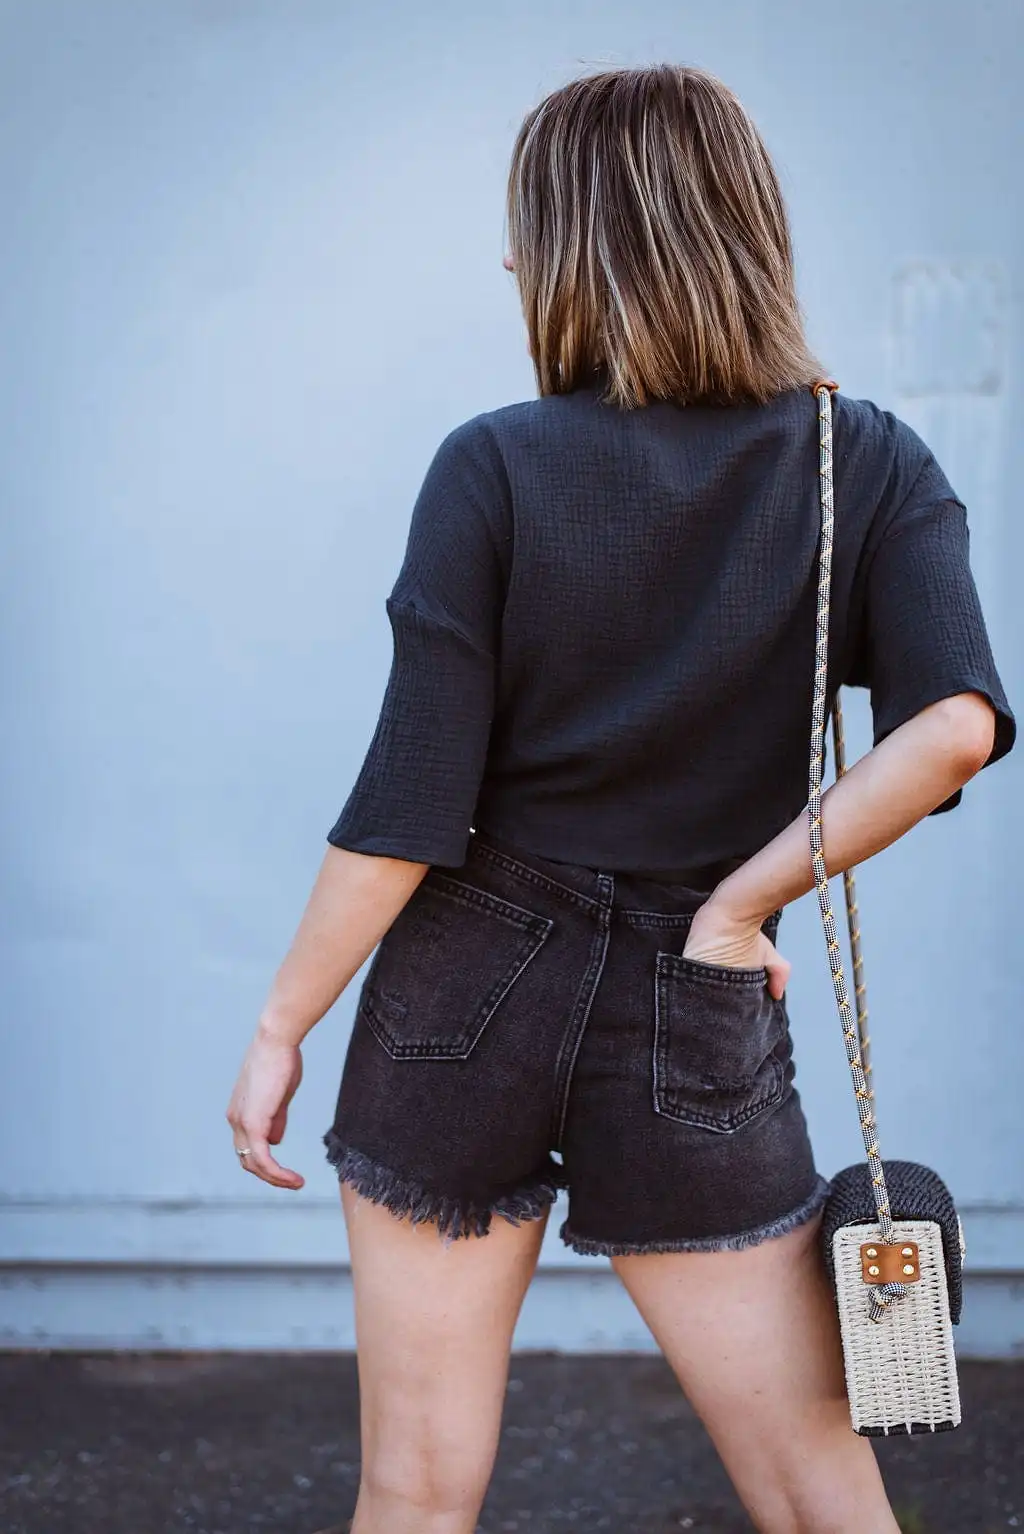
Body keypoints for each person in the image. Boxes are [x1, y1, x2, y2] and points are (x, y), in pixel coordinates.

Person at [226, 65, 1014, 1534]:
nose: (511, 262)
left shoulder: (494, 468)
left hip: (463, 984)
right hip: (693, 998)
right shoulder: (872, 461)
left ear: (581, 249)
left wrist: (282, 1023)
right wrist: (742, 899)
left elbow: (408, 804)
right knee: (812, 1483)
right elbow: (956, 728)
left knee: (413, 1485)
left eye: (526, 231)